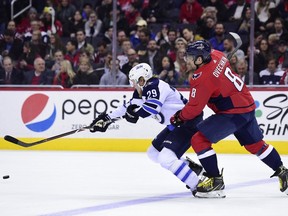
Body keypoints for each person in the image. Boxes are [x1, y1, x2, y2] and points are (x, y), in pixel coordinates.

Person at [170, 40, 288, 198]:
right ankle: (283, 172)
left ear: (199, 59)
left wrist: (179, 117)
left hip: (232, 112)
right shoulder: (217, 55)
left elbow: (194, 108)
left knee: (199, 140)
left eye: (190, 57)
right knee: (256, 146)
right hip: (247, 105)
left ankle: (215, 181)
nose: (187, 60)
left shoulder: (201, 78)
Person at [89, 63, 204, 193]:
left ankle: (198, 186)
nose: (133, 85)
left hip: (188, 122)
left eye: (134, 82)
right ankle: (191, 167)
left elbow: (153, 108)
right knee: (153, 153)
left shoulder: (154, 86)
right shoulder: (142, 91)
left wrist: (135, 113)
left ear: (142, 80)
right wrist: (107, 119)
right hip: (177, 124)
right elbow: (128, 107)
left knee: (165, 158)